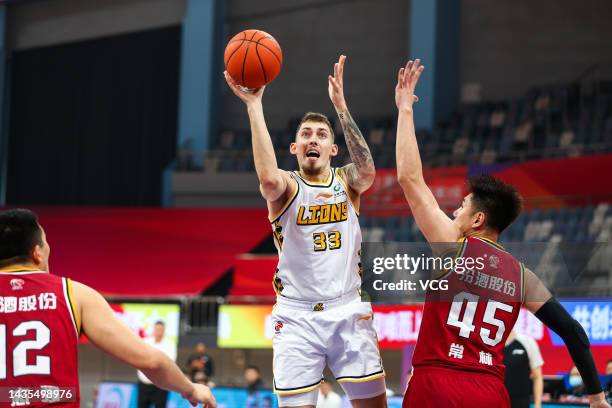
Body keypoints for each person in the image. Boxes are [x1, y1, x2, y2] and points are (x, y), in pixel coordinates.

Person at [394, 59, 610, 408]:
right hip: (490, 393)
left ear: (478, 219)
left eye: (462, 207)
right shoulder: (523, 277)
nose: (455, 211)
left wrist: (405, 109)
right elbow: (573, 332)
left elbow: (409, 178)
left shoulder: (453, 245)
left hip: (437, 384)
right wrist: (596, 396)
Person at [224, 54, 386, 408]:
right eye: (306, 134)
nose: (314, 139)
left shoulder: (346, 180)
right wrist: (254, 105)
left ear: (332, 148)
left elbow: (369, 172)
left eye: (322, 135)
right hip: (296, 317)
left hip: (347, 310)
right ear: (295, 148)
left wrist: (341, 108)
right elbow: (267, 179)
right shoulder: (286, 185)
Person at [0, 209, 216, 408]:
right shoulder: (74, 294)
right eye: (46, 244)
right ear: (37, 253)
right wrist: (191, 389)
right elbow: (151, 361)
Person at [137, 320, 177, 408]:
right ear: (153, 330)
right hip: (144, 382)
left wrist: (153, 362)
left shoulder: (170, 344)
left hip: (161, 384)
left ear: (164, 331)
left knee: (160, 405)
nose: (158, 332)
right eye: (157, 329)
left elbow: (170, 362)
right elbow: (139, 358)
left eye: (160, 329)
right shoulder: (145, 342)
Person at [504, 330, 544, 408]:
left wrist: (537, 405)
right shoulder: (490, 343)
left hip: (521, 402)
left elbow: (537, 376)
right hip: (496, 400)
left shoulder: (527, 342)